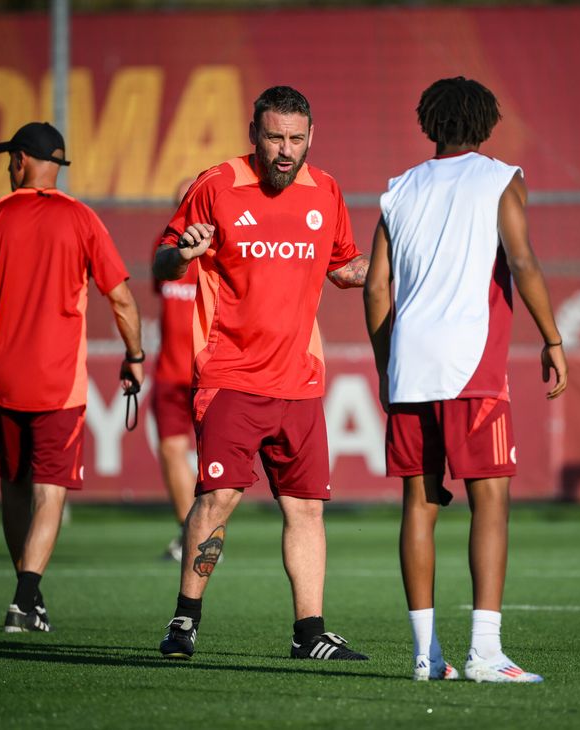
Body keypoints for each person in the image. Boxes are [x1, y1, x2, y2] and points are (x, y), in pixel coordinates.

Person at [153, 86, 370, 661]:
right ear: (254, 132)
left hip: (299, 381)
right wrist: (183, 253)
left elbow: (345, 268)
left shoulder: (325, 190)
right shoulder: (217, 185)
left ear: (310, 138)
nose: (285, 150)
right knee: (220, 496)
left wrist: (404, 264)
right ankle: (184, 622)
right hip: (231, 376)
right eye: (275, 137)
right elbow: (162, 257)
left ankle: (310, 632)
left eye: (296, 139)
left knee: (305, 508)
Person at [363, 77, 568, 682]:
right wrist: (552, 339)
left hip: (411, 367)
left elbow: (377, 287)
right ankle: (485, 652)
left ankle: (426, 656)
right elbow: (523, 260)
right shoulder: (501, 178)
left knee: (419, 505)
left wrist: (386, 365)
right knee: (491, 500)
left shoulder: (397, 190)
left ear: (429, 122)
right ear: (486, 122)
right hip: (472, 367)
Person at [0, 121, 144, 633]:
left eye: (11, 157)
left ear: (22, 161)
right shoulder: (82, 220)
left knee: (13, 488)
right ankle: (25, 597)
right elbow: (120, 297)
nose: (9, 166)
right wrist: (134, 355)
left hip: (0, 381)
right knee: (49, 492)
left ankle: (27, 596)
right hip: (58, 387)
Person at [151, 177, 200, 561]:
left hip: (210, 371)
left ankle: (205, 531)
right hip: (169, 370)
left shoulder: (223, 249)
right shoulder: (164, 247)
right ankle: (191, 535)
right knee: (171, 450)